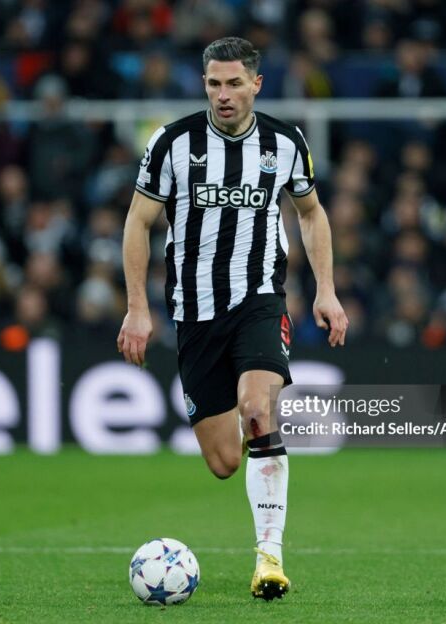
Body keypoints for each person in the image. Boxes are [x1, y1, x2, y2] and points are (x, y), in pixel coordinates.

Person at [117, 37, 348, 601]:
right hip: (194, 312)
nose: (223, 94)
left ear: (256, 85)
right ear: (204, 84)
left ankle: (270, 559)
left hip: (259, 299)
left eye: (234, 83)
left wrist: (326, 290)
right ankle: (258, 452)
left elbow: (311, 213)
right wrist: (137, 308)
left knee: (258, 409)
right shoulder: (172, 143)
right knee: (224, 461)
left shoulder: (285, 142)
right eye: (214, 83)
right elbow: (138, 222)